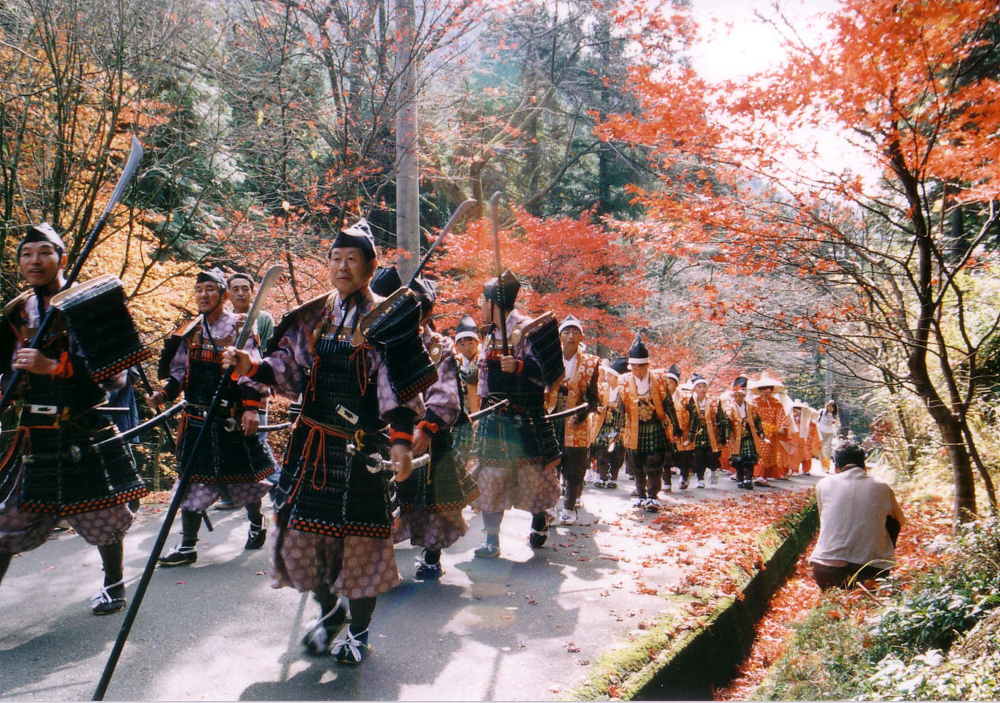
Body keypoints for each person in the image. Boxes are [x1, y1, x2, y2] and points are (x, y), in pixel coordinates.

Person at [225, 219, 433, 664]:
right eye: (335, 258)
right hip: (311, 446)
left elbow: (396, 387)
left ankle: (358, 633)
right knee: (301, 540)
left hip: (362, 450)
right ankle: (330, 610)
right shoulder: (313, 315)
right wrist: (250, 364)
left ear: (371, 265)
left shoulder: (389, 318)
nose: (341, 266)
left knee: (361, 547)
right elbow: (286, 366)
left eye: (351, 259)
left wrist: (400, 440)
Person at [0, 223, 149, 615]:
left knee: (103, 513)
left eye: (44, 253)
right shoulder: (16, 314)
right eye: (26, 254)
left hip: (82, 427)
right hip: (34, 435)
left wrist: (53, 366)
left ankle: (114, 585)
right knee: (5, 523)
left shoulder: (91, 303)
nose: (35, 261)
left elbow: (117, 375)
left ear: (62, 258)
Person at [149, 269, 274, 566]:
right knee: (191, 482)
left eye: (210, 289)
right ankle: (188, 546)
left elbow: (251, 373)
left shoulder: (239, 328)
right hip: (195, 420)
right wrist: (164, 394)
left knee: (244, 481)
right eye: (199, 290)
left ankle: (257, 523)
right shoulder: (190, 330)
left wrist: (251, 409)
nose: (203, 295)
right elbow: (179, 371)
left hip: (227, 419)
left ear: (224, 295)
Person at [370, 267, 477, 580]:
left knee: (434, 501)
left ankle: (432, 553)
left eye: (419, 308)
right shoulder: (386, 339)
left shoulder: (440, 347)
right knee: (383, 499)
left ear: (428, 313)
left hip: (429, 433)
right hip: (387, 431)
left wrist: (428, 426)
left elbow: (445, 394)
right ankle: (378, 558)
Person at [469, 270, 564, 558]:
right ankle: (491, 540)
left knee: (532, 476)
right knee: (490, 477)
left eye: (483, 301)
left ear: (495, 303)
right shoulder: (490, 334)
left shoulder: (528, 329)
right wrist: (481, 408)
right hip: (494, 418)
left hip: (525, 417)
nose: (481, 306)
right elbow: (483, 378)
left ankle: (539, 520)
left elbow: (549, 375)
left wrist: (520, 366)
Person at [216, 271, 278, 508]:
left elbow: (265, 357)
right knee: (231, 443)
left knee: (257, 441)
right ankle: (232, 494)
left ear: (252, 292)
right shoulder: (222, 319)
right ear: (228, 293)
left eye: (245, 288)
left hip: (254, 387)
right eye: (236, 288)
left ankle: (281, 491)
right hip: (229, 392)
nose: (241, 292)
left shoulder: (263, 318)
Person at [808, 441, 905, 590]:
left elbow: (823, 518)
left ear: (836, 468)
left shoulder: (823, 484)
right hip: (869, 570)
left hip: (825, 569)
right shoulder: (882, 487)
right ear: (864, 466)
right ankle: (877, 558)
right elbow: (900, 520)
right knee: (891, 522)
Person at [546, 315, 600, 525]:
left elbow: (594, 397)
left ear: (581, 336)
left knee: (575, 466)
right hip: (552, 418)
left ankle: (568, 507)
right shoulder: (550, 359)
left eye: (575, 332)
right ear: (559, 337)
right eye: (566, 332)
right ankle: (549, 507)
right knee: (550, 464)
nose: (570, 336)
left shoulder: (590, 363)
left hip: (577, 421)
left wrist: (582, 414)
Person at [619, 334, 678, 512]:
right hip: (633, 428)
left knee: (654, 463)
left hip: (654, 426)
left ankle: (653, 496)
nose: (637, 369)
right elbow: (620, 407)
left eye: (641, 366)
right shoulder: (624, 381)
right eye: (634, 366)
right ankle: (641, 495)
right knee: (636, 463)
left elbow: (668, 402)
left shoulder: (659, 379)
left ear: (648, 365)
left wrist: (676, 424)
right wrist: (618, 428)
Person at [680, 374, 730, 488]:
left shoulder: (714, 401)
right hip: (696, 432)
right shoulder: (689, 401)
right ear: (694, 388)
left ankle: (713, 469)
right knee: (698, 455)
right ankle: (700, 478)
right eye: (699, 387)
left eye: (704, 386)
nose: (702, 389)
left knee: (712, 454)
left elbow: (721, 417)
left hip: (711, 432)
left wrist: (723, 434)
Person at [590, 358, 628, 489]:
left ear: (618, 378)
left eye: (610, 375)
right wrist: (597, 408)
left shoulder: (624, 392)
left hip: (618, 426)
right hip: (604, 424)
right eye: (607, 375)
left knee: (617, 454)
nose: (607, 378)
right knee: (601, 451)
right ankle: (602, 477)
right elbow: (595, 402)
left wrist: (619, 428)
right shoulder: (603, 390)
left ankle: (614, 477)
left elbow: (625, 411)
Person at [749, 371, 789, 486]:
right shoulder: (754, 403)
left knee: (768, 454)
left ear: (771, 390)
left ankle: (763, 475)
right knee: (758, 452)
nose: (765, 393)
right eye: (763, 390)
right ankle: (758, 475)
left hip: (772, 432)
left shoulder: (777, 403)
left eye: (768, 390)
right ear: (759, 390)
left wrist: (782, 426)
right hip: (757, 430)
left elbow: (781, 416)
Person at [789, 401, 821, 475]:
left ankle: (801, 469)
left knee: (803, 455)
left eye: (798, 409)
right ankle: (791, 469)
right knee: (792, 454)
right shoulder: (791, 419)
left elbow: (814, 434)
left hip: (804, 441)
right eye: (795, 409)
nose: (796, 411)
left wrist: (814, 443)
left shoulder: (810, 423)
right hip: (791, 439)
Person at [817, 399, 841, 473]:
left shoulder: (835, 415)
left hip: (830, 433)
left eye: (831, 407)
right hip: (821, 431)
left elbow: (838, 425)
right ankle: (823, 465)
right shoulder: (821, 412)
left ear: (834, 408)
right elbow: (816, 420)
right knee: (820, 449)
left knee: (828, 449)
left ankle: (827, 466)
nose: (829, 408)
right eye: (828, 406)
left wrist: (839, 434)